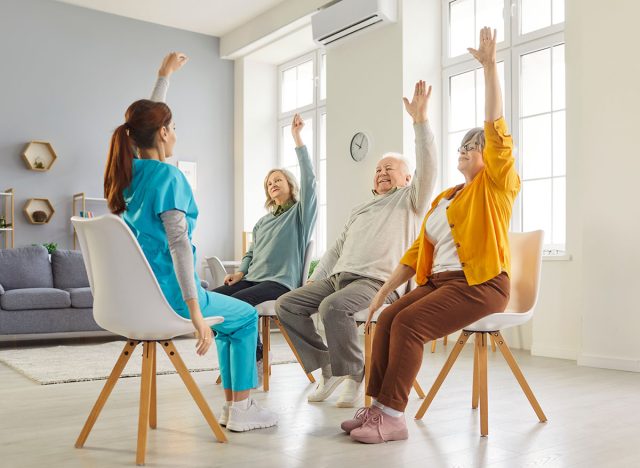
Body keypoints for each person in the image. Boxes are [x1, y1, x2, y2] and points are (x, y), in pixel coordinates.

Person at [343, 27, 520, 444]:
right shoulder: (445, 198)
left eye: (472, 148)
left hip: (482, 285)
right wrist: (380, 293)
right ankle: (375, 408)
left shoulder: (497, 187)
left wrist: (491, 67)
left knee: (410, 323)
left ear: (489, 158)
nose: (464, 150)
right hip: (440, 283)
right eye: (461, 146)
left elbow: (495, 126)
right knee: (389, 316)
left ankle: (393, 416)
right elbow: (416, 251)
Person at [103, 52, 277, 432]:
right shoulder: (169, 178)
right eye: (173, 126)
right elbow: (180, 248)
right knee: (245, 316)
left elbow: (143, 124)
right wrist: (195, 310)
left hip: (138, 296)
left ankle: (237, 408)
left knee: (229, 321)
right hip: (170, 296)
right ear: (164, 133)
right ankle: (242, 408)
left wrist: (162, 76)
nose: (176, 132)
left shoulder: (129, 176)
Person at [276, 80, 438, 408]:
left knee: (332, 308)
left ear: (407, 179)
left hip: (379, 283)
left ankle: (353, 373)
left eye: (389, 169)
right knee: (287, 305)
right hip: (340, 279)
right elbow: (336, 249)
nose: (381, 173)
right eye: (378, 169)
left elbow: (429, 166)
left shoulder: (410, 200)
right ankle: (328, 367)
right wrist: (317, 276)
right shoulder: (360, 209)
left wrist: (420, 122)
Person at [211, 115, 317, 381]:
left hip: (280, 282)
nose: (273, 184)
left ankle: (255, 359)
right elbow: (250, 252)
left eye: (278, 180)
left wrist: (298, 140)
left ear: (291, 185)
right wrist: (240, 272)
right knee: (211, 302)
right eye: (270, 182)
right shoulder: (262, 222)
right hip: (253, 278)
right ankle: (235, 357)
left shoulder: (299, 215)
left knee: (236, 304)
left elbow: (311, 181)